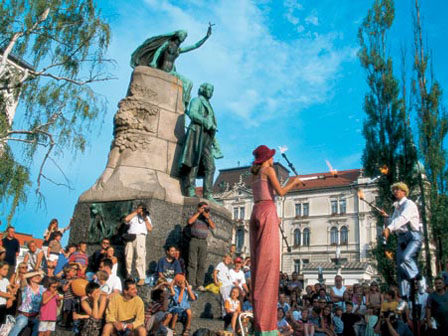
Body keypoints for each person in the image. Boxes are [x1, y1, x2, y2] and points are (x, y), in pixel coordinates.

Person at [249, 145, 302, 336]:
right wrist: (294, 182)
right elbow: (280, 192)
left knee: (258, 266)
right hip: (268, 211)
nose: (273, 159)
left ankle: (260, 323)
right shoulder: (268, 169)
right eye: (271, 156)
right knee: (269, 266)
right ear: (267, 158)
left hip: (256, 211)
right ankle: (267, 327)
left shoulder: (254, 174)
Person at [179, 82, 223, 200]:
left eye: (211, 90)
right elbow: (192, 113)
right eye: (208, 89)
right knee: (194, 162)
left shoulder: (209, 106)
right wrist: (205, 121)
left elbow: (212, 126)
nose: (210, 92)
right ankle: (190, 189)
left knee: (211, 166)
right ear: (202, 89)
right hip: (197, 134)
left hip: (207, 139)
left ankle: (208, 194)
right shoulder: (197, 100)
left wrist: (217, 146)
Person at [380, 182, 422, 303]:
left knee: (405, 257)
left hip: (412, 236)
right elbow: (393, 222)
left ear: (404, 191)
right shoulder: (397, 207)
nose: (395, 192)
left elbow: (403, 219)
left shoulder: (409, 204)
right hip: (402, 238)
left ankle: (418, 278)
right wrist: (386, 218)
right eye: (394, 190)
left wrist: (389, 228)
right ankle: (404, 296)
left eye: (397, 189)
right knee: (400, 269)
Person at [186, 201, 215, 291]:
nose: (205, 210)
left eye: (206, 208)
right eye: (203, 208)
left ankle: (199, 284)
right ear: (199, 208)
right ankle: (190, 283)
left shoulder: (207, 217)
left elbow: (213, 226)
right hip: (194, 240)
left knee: (201, 264)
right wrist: (198, 212)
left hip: (203, 241)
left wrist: (208, 217)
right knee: (192, 263)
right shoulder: (194, 214)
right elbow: (190, 221)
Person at [9, 271, 46, 336]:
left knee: (39, 327)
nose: (38, 277)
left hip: (36, 316)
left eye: (39, 276)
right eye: (35, 275)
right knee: (20, 323)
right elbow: (23, 276)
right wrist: (38, 272)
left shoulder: (43, 289)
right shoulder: (25, 287)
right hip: (24, 315)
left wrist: (40, 313)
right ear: (30, 277)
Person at [124, 203, 152, 286]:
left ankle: (141, 277)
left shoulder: (146, 218)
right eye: (140, 208)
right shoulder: (134, 216)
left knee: (140, 256)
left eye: (142, 209)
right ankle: (128, 274)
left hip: (140, 237)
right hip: (130, 237)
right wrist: (136, 212)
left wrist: (145, 218)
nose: (141, 210)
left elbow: (150, 229)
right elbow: (126, 219)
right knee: (128, 256)